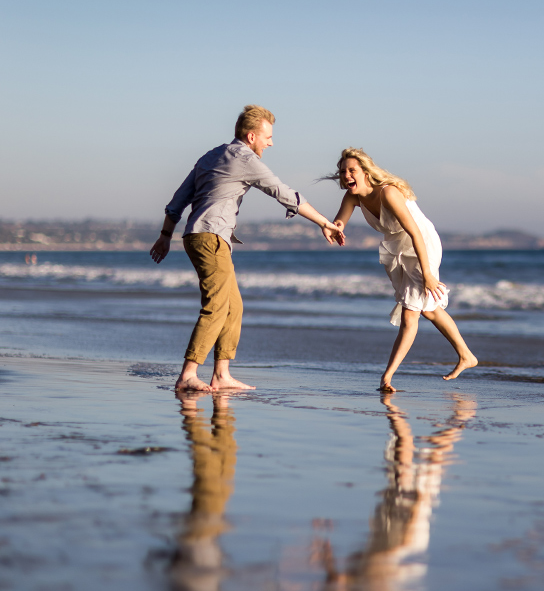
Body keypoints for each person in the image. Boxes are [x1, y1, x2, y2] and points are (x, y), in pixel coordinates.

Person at [151, 105, 344, 392]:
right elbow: (284, 193)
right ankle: (188, 374)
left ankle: (221, 374)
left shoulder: (212, 155)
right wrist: (324, 222)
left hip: (198, 236)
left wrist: (166, 235)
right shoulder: (244, 158)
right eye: (267, 137)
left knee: (234, 307)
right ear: (251, 136)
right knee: (216, 306)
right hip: (211, 238)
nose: (271, 142)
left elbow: (179, 199)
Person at [326, 148, 477, 392]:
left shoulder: (389, 193)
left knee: (411, 313)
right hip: (398, 246)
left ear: (365, 172)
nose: (346, 175)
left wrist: (428, 273)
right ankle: (466, 355)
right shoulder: (353, 197)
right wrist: (334, 227)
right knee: (428, 309)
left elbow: (415, 232)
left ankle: (387, 377)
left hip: (421, 244)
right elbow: (340, 220)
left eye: (352, 170)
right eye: (343, 172)